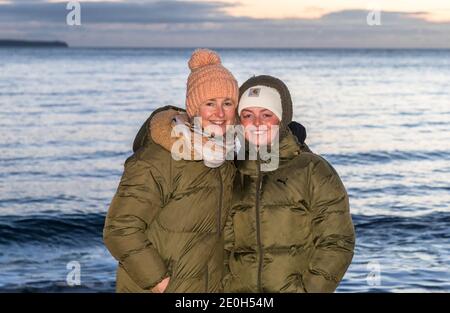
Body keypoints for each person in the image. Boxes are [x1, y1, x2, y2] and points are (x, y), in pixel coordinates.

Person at [103, 49, 239, 292]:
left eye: (227, 103)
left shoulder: (224, 159)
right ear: (193, 108)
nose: (220, 113)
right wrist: (162, 283)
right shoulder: (157, 159)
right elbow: (120, 230)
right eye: (210, 103)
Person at [223, 75, 355, 293]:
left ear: (282, 118)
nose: (257, 123)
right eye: (248, 115)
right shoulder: (229, 171)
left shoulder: (312, 170)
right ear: (239, 122)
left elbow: (337, 240)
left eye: (266, 115)